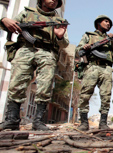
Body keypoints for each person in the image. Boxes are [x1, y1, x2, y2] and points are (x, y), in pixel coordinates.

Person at [0, 0, 69, 131]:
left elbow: (64, 43)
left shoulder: (59, 20)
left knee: (45, 84)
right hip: (25, 48)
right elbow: (10, 24)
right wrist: (4, 19)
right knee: (16, 83)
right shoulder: (27, 13)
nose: (54, 1)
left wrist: (59, 37)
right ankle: (12, 119)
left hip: (47, 51)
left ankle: (38, 121)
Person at [75, 15, 113, 131]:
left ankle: (103, 123)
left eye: (110, 23)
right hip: (91, 66)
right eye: (106, 21)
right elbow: (78, 50)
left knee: (106, 96)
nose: (108, 24)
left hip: (106, 68)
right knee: (85, 94)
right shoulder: (89, 35)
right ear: (98, 23)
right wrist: (85, 47)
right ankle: (84, 122)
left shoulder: (111, 38)